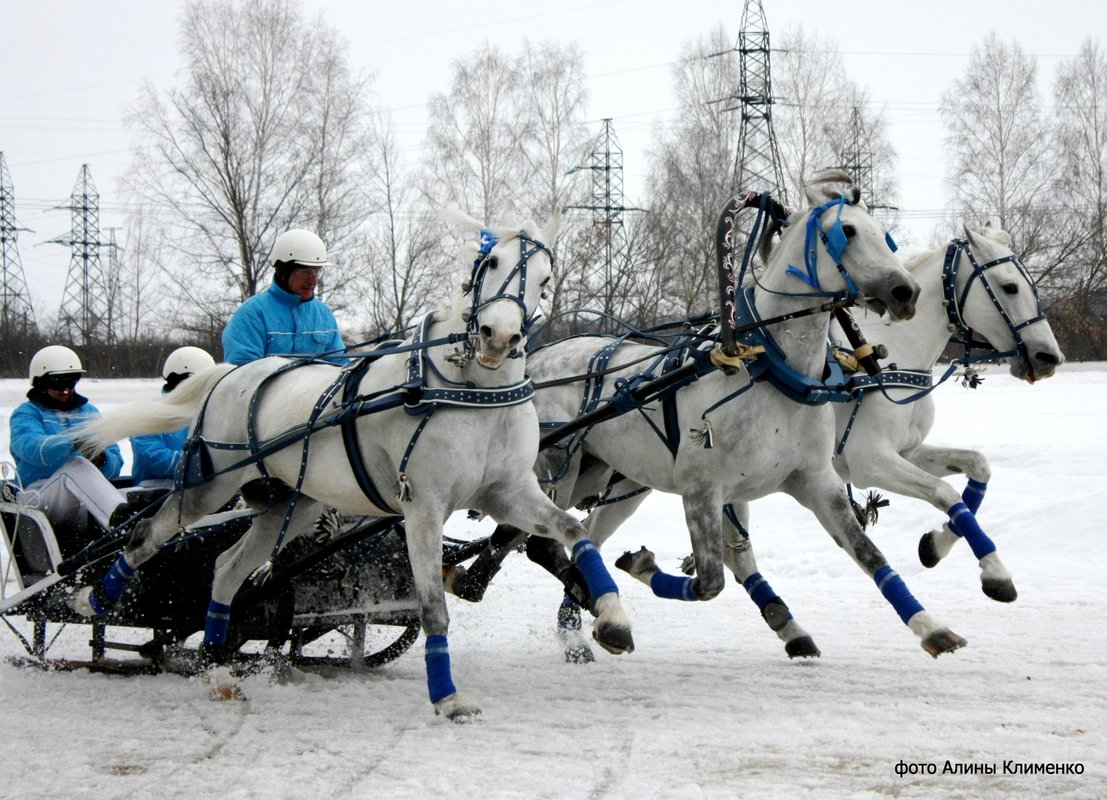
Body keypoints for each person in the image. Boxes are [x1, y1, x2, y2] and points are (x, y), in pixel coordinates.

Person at [8, 345, 126, 539]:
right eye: (58, 384)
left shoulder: (89, 412)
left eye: (72, 382)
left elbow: (115, 465)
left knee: (90, 473)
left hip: (81, 498)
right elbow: (33, 449)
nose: (66, 390)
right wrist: (73, 441)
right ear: (41, 383)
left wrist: (101, 459)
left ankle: (115, 539)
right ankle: (122, 523)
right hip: (38, 495)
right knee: (77, 466)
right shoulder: (26, 414)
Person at [220, 228, 346, 365]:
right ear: (283, 271)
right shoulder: (252, 314)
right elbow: (242, 372)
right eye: (305, 271)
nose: (313, 280)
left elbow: (340, 364)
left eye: (316, 271)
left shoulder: (323, 314)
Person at [129, 346, 216, 487]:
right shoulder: (150, 414)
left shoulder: (210, 413)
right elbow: (150, 457)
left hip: (203, 489)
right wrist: (199, 464)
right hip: (156, 492)